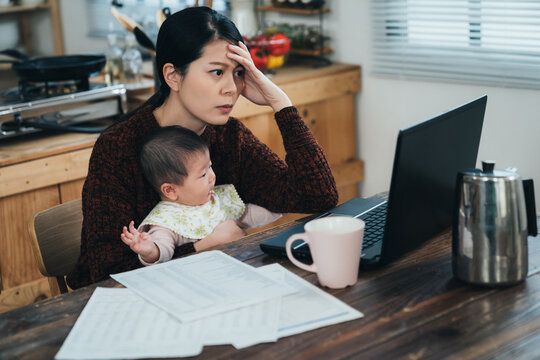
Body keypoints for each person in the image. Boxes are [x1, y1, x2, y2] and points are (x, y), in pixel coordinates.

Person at [66, 6, 337, 289]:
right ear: (172, 76)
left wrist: (280, 103)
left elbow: (317, 196)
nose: (231, 88)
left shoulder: (229, 135)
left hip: (207, 287)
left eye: (239, 73)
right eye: (217, 72)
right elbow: (106, 274)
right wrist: (202, 247)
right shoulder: (118, 148)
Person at [121, 125, 281, 265]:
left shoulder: (214, 199)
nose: (212, 176)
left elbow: (248, 216)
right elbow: (164, 250)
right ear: (170, 190)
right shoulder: (165, 220)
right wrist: (150, 250)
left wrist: (281, 205)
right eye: (203, 174)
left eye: (210, 167)